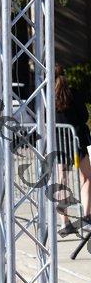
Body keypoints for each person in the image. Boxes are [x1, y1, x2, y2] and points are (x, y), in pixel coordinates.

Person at [55, 64, 91, 237]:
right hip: (78, 141)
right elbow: (84, 116)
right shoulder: (73, 93)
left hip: (59, 143)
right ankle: (86, 216)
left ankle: (65, 222)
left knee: (62, 182)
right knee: (87, 177)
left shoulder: (47, 97)